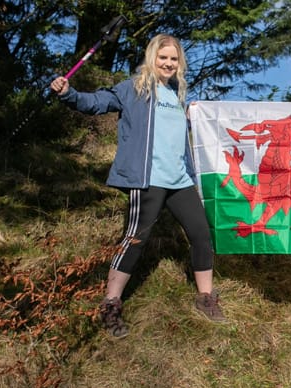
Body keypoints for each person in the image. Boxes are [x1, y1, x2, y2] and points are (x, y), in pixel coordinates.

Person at [50, 34, 227, 338]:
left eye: (174, 59)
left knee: (200, 233)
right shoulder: (133, 88)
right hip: (146, 179)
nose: (168, 63)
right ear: (152, 58)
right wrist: (68, 93)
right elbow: (95, 103)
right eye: (163, 58)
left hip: (179, 180)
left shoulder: (178, 94)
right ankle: (110, 303)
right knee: (135, 240)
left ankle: (205, 298)